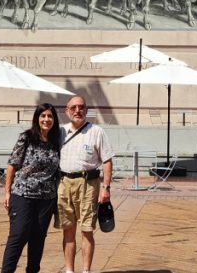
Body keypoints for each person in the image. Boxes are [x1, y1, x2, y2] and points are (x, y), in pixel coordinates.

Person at [1, 103, 62, 273]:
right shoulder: (26, 137)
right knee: (18, 236)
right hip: (23, 194)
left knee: (38, 240)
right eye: (43, 116)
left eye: (50, 116)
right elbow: (12, 165)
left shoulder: (56, 141)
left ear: (54, 120)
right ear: (37, 118)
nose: (46, 119)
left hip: (47, 199)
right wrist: (7, 193)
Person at [58, 95, 113, 273]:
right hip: (64, 184)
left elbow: (107, 161)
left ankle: (86, 270)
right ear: (67, 111)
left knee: (87, 229)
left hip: (89, 185)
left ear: (86, 110)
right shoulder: (60, 132)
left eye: (81, 107)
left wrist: (106, 188)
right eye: (73, 108)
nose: (77, 111)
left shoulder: (96, 131)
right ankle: (69, 270)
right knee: (67, 229)